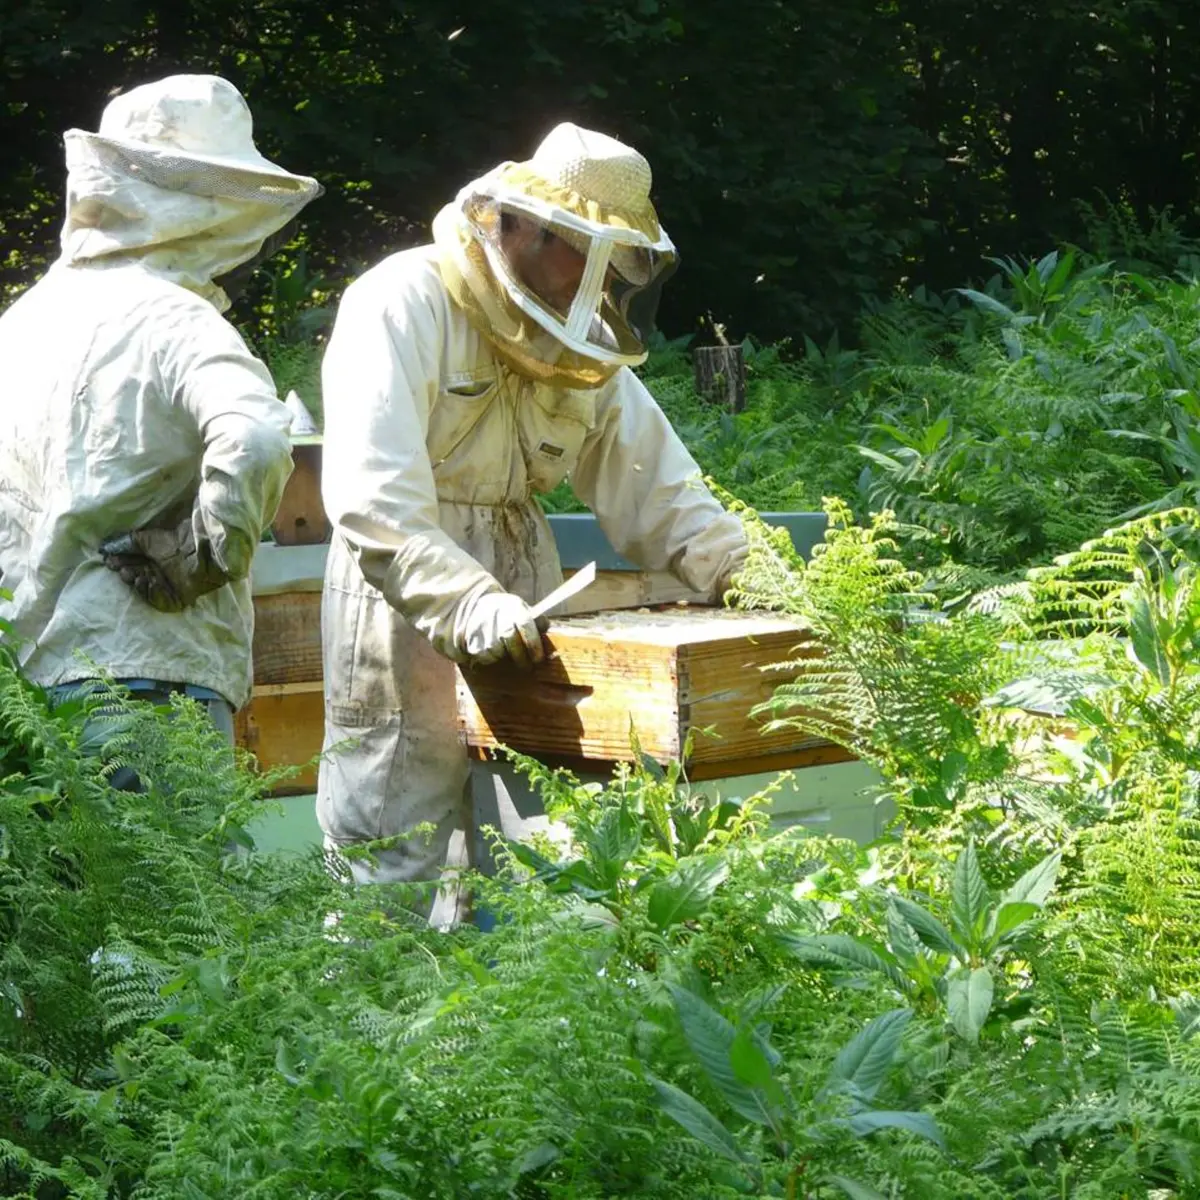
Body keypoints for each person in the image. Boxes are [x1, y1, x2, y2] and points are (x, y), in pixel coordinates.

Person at [318, 121, 748, 901]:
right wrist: (465, 601)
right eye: (580, 250)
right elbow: (373, 497)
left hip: (525, 580)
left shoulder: (581, 341)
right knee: (391, 850)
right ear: (517, 224)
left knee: (536, 856)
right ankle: (381, 986)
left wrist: (741, 567)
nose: (593, 277)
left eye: (612, 260)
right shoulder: (401, 300)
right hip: (401, 593)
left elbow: (657, 484)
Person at [0, 74, 322, 748]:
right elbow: (258, 438)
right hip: (146, 678)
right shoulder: (177, 319)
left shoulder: (21, 323)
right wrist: (205, 552)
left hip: (20, 692)